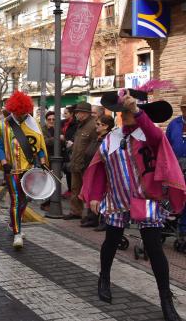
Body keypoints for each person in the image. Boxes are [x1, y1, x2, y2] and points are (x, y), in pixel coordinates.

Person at [81, 89, 185, 321]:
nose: (124, 116)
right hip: (117, 199)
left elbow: (156, 136)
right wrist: (96, 195)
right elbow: (99, 168)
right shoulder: (111, 138)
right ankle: (104, 278)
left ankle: (166, 300)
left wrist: (136, 110)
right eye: (123, 112)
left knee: (154, 249)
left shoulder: (149, 135)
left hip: (145, 200)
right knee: (111, 241)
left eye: (128, 112)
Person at [0, 91, 47, 250]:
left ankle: (13, 224)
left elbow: (38, 144)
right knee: (16, 200)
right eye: (19, 113)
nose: (22, 116)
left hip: (29, 170)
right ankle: (17, 233)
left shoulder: (32, 123)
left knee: (25, 200)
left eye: (24, 113)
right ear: (13, 110)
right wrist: (3, 161)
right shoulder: (3, 125)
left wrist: (42, 160)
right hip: (12, 170)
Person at [80, 114, 115, 230]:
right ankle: (92, 218)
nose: (97, 126)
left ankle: (104, 220)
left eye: (100, 124)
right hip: (90, 168)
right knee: (91, 192)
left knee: (103, 194)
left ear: (106, 126)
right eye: (97, 123)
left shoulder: (108, 139)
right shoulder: (97, 137)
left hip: (102, 171)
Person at [65, 102, 98, 221]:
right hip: (76, 162)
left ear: (84, 113)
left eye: (77, 112)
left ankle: (91, 214)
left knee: (89, 190)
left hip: (86, 164)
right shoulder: (80, 125)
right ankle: (76, 211)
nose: (75, 115)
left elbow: (95, 145)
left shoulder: (93, 125)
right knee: (75, 189)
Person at [165, 95, 186, 241]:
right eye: (184, 108)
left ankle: (183, 230)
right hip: (176, 165)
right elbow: (167, 146)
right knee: (176, 197)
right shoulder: (174, 124)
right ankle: (176, 227)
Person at [61, 105, 77, 197]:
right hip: (64, 148)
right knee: (67, 170)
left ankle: (72, 190)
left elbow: (75, 135)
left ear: (72, 114)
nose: (64, 114)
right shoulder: (62, 122)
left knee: (70, 170)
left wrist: (71, 140)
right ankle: (69, 189)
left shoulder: (76, 124)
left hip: (71, 149)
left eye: (66, 113)